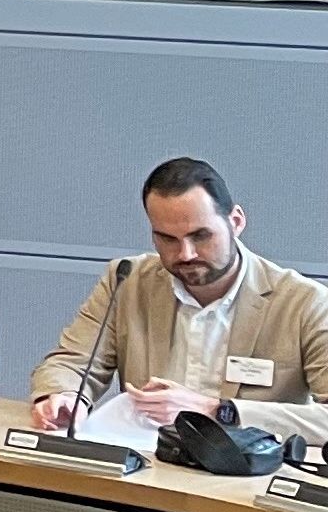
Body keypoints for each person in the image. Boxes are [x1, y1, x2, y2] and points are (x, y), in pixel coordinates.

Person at [30, 158, 328, 441]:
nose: (186, 254)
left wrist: (216, 410)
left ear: (236, 222)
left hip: (245, 470)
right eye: (168, 239)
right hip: (148, 462)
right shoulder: (127, 281)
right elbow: (71, 363)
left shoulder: (304, 303)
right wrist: (64, 396)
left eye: (201, 236)